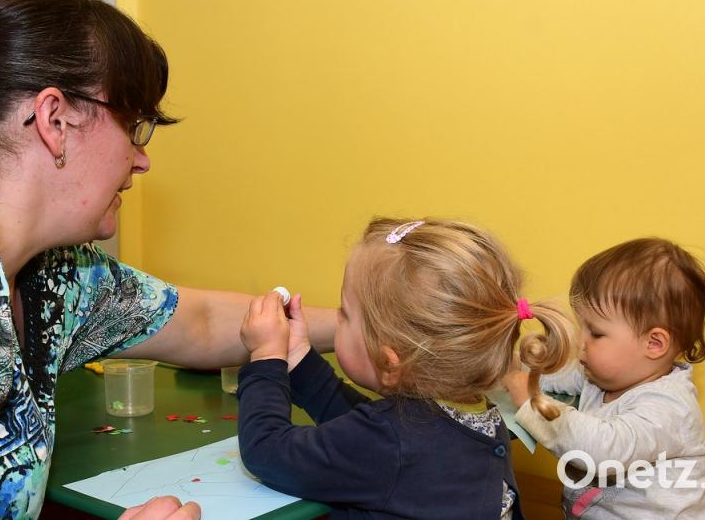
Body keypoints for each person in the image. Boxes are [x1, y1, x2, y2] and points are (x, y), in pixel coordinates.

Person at [0, 0, 336, 519]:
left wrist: (358, 328)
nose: (142, 160)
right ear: (55, 121)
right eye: (133, 127)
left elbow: (199, 322)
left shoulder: (48, 273)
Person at [236, 218, 576, 519]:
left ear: (389, 361)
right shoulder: (469, 411)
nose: (336, 320)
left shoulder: (390, 443)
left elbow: (268, 451)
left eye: (345, 315)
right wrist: (298, 355)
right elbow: (366, 426)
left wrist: (266, 356)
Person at [502, 238, 705, 519]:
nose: (581, 342)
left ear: (654, 343)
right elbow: (553, 375)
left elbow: (602, 449)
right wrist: (514, 368)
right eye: (582, 328)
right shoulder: (600, 374)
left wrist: (532, 402)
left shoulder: (669, 407)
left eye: (596, 333)